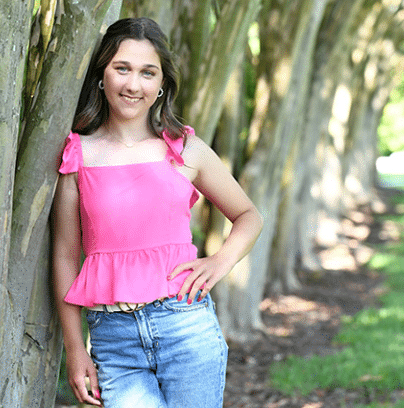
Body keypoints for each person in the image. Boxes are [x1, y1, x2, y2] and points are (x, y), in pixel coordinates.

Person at [52, 17, 263, 408]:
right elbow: (65, 255)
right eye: (122, 69)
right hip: (114, 339)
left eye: (148, 72)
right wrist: (75, 348)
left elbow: (249, 215)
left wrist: (220, 262)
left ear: (162, 83)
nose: (134, 84)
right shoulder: (79, 154)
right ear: (101, 75)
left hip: (186, 327)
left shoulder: (185, 149)